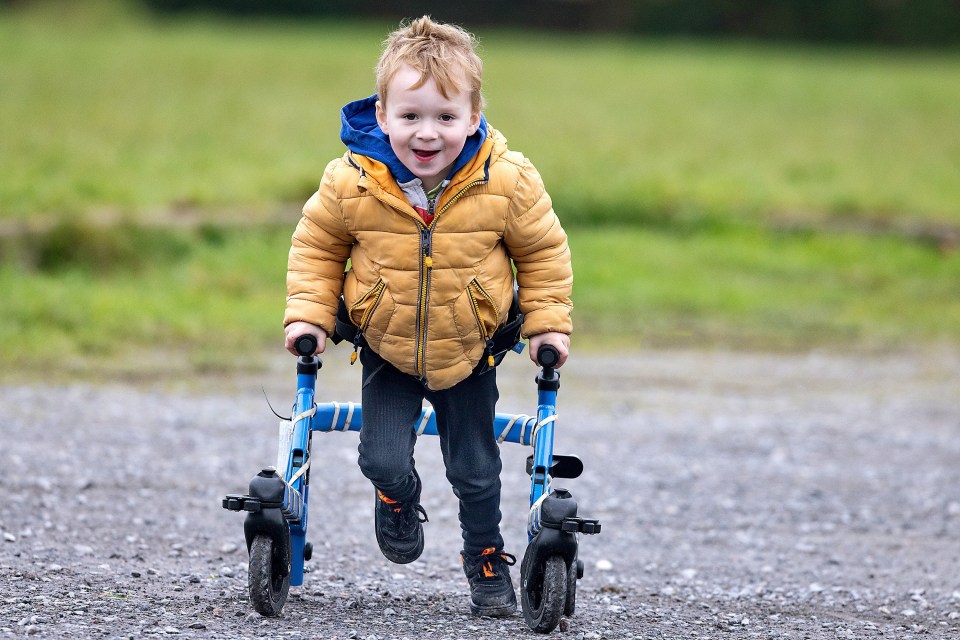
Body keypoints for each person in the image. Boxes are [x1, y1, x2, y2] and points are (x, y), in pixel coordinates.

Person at [283, 15, 572, 618]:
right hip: (386, 347)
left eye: (445, 117)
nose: (427, 133)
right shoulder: (351, 182)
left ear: (473, 117)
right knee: (380, 456)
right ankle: (397, 497)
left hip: (471, 352)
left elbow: (542, 253)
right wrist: (309, 317)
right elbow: (317, 249)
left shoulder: (508, 180)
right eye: (410, 116)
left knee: (476, 469)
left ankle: (485, 557)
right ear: (382, 114)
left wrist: (547, 323)